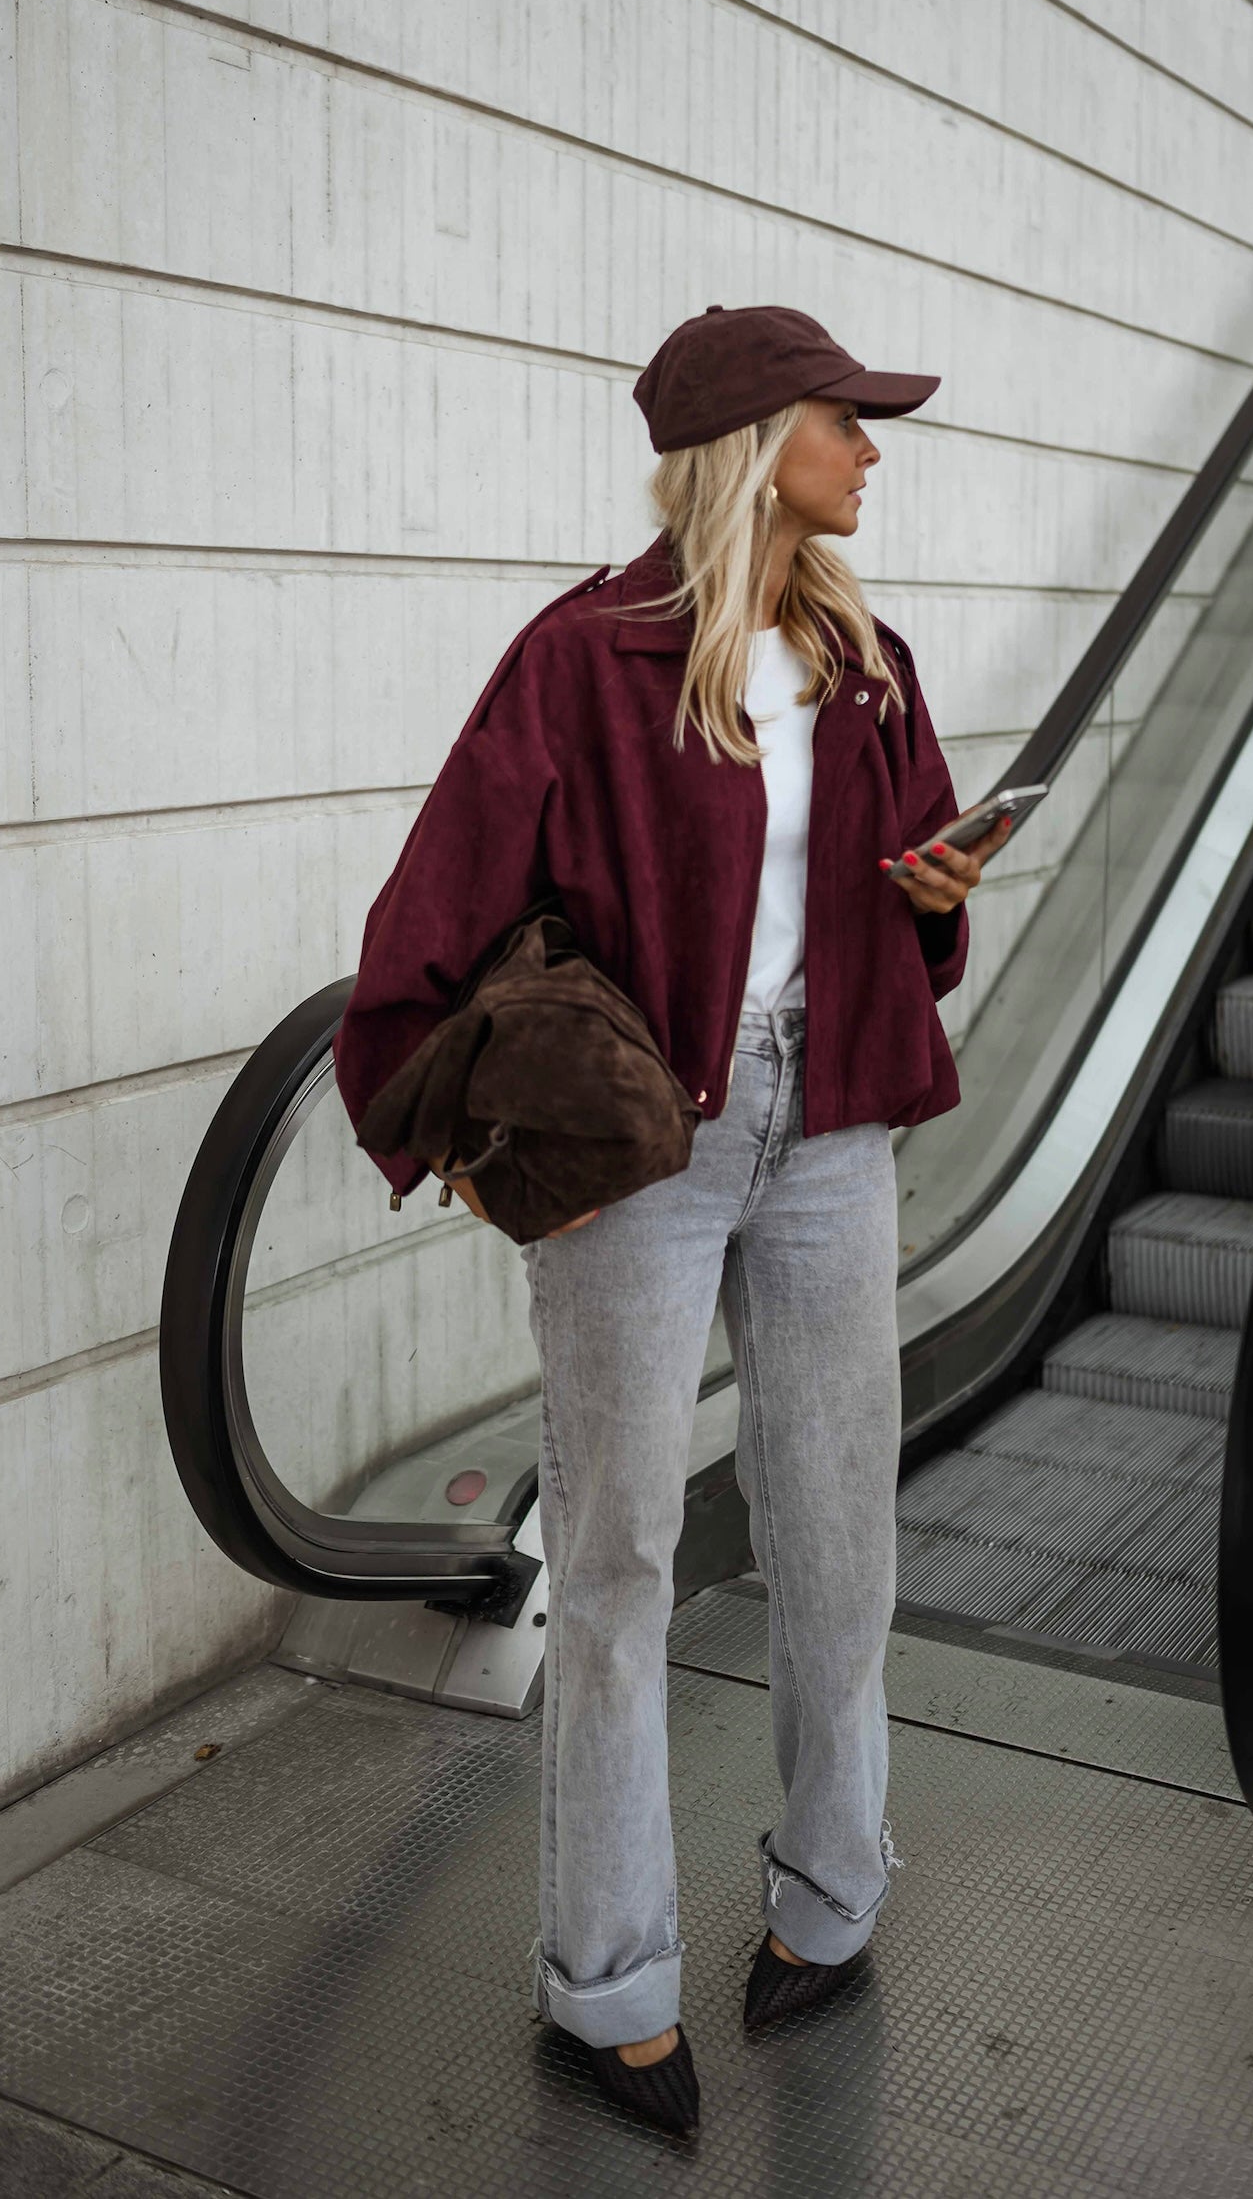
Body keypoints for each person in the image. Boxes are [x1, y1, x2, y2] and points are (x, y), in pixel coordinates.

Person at [334, 305, 1009, 2136]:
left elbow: (911, 907)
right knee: (624, 1554)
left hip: (839, 1125)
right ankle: (606, 1980)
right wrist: (452, 1107)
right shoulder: (583, 659)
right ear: (749, 442)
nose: (872, 452)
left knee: (832, 1525)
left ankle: (832, 1890)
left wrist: (931, 895)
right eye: (844, 423)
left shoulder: (870, 661)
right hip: (654, 1148)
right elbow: (436, 912)